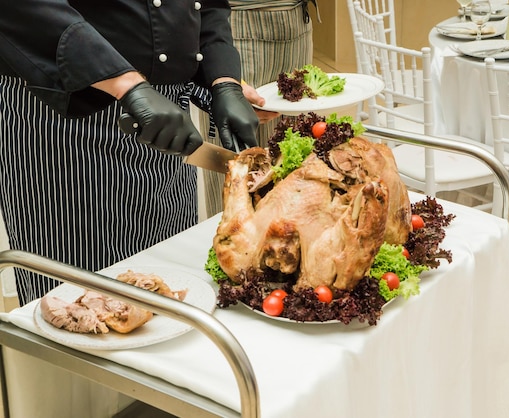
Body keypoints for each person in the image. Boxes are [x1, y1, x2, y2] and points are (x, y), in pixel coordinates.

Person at [0, 1, 259, 306]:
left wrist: (223, 79)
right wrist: (127, 85)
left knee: (170, 286)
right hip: (69, 113)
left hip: (167, 115)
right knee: (80, 303)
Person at [201, 0, 317, 217]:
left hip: (297, 21)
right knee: (240, 186)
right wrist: (228, 80)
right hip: (239, 28)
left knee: (296, 179)